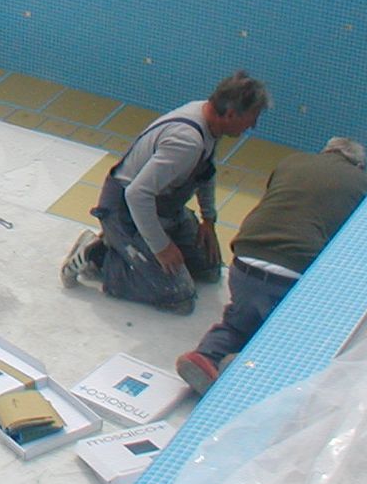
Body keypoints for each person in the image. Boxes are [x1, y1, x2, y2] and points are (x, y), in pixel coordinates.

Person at [59, 71, 270, 314]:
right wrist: (161, 247)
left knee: (209, 270)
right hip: (125, 213)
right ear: (231, 114)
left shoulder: (208, 117)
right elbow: (137, 195)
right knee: (178, 295)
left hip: (164, 209)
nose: (252, 126)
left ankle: (130, 248)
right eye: (251, 119)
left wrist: (208, 220)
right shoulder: (187, 142)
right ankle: (98, 257)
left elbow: (205, 171)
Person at [175, 136, 367, 395]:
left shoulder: (292, 162)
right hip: (291, 275)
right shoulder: (363, 183)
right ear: (357, 165)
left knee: (238, 321)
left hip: (245, 260)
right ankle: (252, 368)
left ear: (326, 151)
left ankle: (206, 356)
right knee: (287, 333)